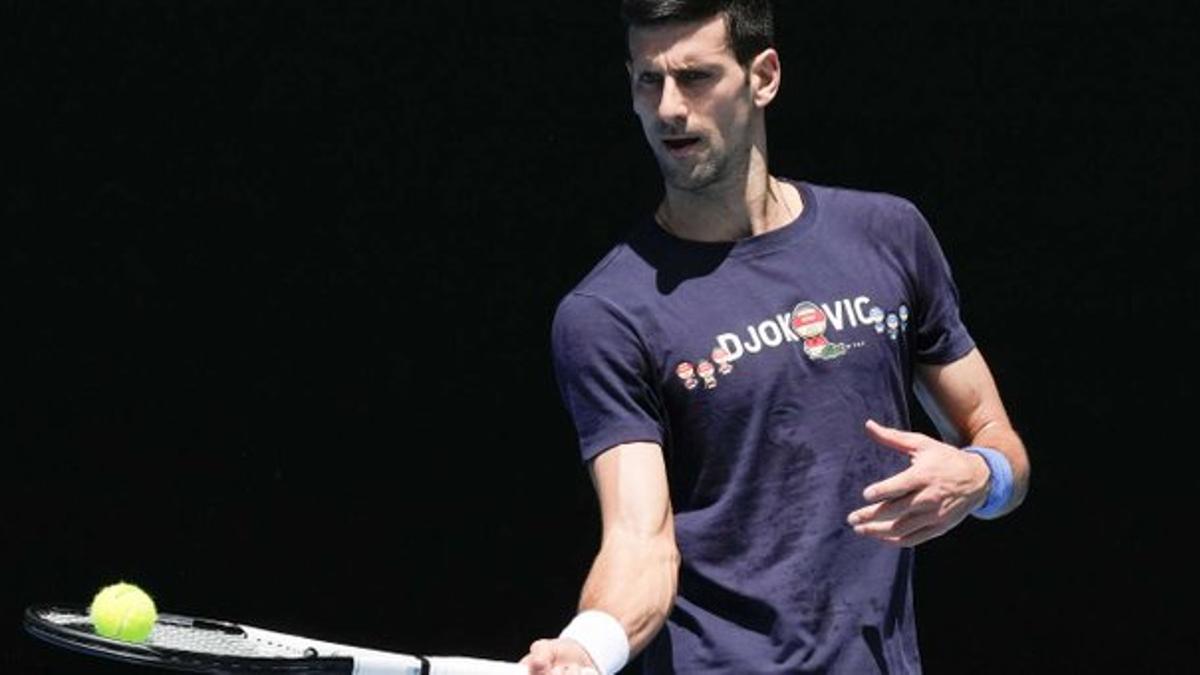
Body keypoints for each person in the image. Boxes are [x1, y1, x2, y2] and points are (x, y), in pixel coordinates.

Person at [521, 1, 1030, 673]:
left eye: (696, 76)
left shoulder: (889, 235)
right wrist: (589, 647)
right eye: (649, 80)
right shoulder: (606, 312)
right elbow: (639, 539)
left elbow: (998, 441)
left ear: (763, 76)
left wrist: (979, 474)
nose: (670, 107)